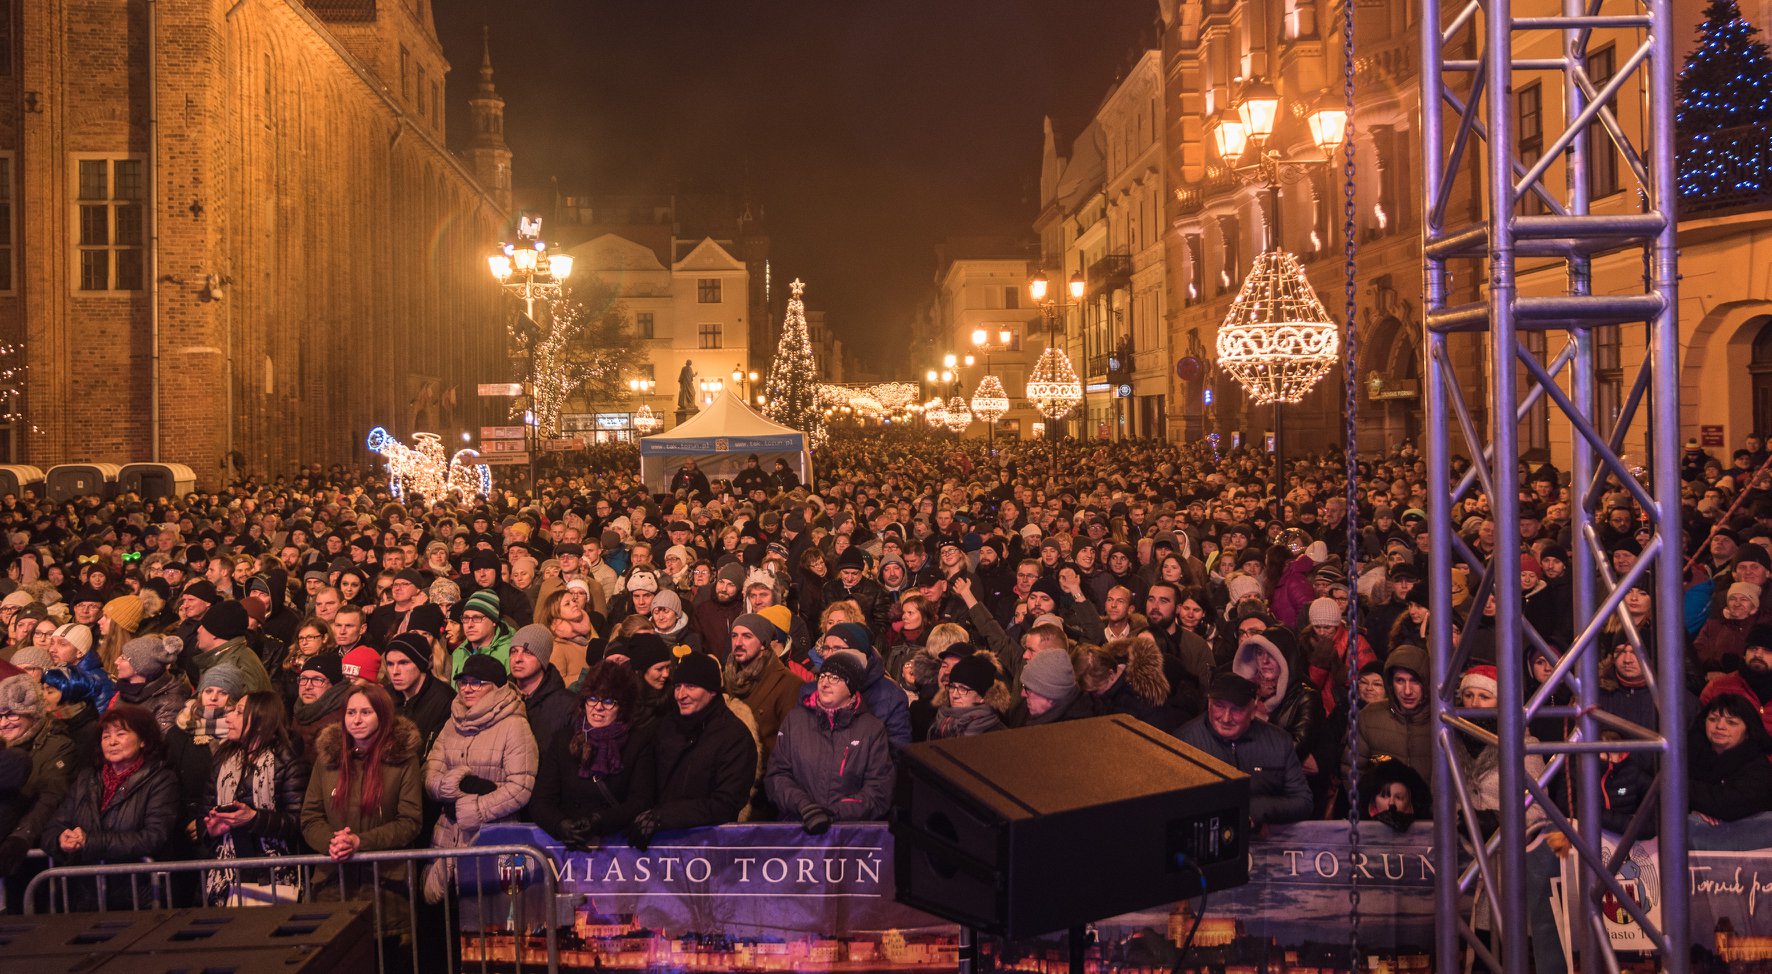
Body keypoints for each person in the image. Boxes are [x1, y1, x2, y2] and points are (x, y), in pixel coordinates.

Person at [301, 685, 424, 926]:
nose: (356, 720)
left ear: (382, 714)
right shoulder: (328, 759)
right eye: (351, 712)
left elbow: (410, 821)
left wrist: (359, 842)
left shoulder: (403, 760)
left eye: (366, 712)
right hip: (333, 886)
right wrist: (333, 843)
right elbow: (310, 817)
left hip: (385, 889)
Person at [40, 704, 181, 909]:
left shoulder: (161, 780)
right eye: (106, 736)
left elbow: (153, 836)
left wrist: (90, 842)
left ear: (143, 740)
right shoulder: (87, 778)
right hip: (86, 897)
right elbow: (55, 826)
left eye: (121, 734)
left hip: (139, 897)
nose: (112, 742)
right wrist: (61, 839)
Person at [422, 654, 537, 903]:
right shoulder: (451, 724)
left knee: (488, 919)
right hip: (447, 835)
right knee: (445, 913)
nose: (467, 689)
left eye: (476, 683)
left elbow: (521, 786)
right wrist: (454, 784)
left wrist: (471, 809)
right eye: (463, 683)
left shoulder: (514, 725)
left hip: (492, 836)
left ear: (495, 688)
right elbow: (431, 773)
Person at [627, 652, 757, 850]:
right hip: (659, 844)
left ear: (712, 691)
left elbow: (726, 804)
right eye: (678, 686)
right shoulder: (666, 726)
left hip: (709, 848)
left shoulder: (734, 736)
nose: (681, 695)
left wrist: (665, 816)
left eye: (691, 687)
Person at [530, 660, 656, 849]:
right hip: (568, 847)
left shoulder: (637, 742)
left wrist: (599, 821)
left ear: (622, 706)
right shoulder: (564, 739)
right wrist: (561, 825)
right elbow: (541, 800)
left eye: (608, 701)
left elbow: (640, 801)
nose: (598, 707)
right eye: (592, 698)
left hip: (616, 849)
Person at [764, 649, 893, 832]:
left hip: (848, 835)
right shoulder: (795, 720)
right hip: (796, 830)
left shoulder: (871, 729)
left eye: (834, 678)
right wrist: (805, 807)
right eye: (823, 676)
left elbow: (878, 790)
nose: (825, 683)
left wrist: (834, 813)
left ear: (851, 686)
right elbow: (777, 776)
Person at [202, 690, 308, 905]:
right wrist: (211, 830)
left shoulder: (287, 761)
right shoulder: (222, 759)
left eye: (239, 712)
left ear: (261, 721)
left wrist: (254, 818)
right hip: (227, 875)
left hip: (275, 875)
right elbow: (205, 810)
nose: (229, 717)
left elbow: (300, 820)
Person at [1176, 674, 1313, 827]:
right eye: (1219, 706)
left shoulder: (1279, 742)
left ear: (1254, 711)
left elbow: (1303, 801)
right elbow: (1173, 804)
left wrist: (1254, 809)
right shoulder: (1185, 742)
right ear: (1209, 705)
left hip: (1263, 841)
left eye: (1237, 709)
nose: (1226, 718)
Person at [0, 674, 75, 879]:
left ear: (33, 715)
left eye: (12, 714)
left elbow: (50, 796)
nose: (4, 723)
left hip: (29, 858)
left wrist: (21, 837)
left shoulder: (57, 746)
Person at [508, 624, 574, 755]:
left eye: (527, 652)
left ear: (542, 658)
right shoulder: (499, 697)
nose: (517, 659)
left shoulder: (567, 705)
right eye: (514, 651)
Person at [384, 632, 453, 753]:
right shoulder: (384, 696)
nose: (395, 671)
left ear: (422, 663)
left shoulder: (445, 700)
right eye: (390, 664)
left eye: (404, 663)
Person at [111, 634, 190, 733]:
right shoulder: (125, 690)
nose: (116, 661)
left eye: (123, 658)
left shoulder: (170, 702)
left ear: (140, 667)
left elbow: (161, 742)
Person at [928, 652, 1008, 739]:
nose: (954, 695)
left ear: (982, 697)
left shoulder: (998, 734)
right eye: (952, 687)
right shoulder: (937, 723)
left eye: (963, 689)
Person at [291, 654, 351, 755]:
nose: (308, 686)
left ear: (335, 687)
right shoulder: (300, 711)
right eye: (303, 679)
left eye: (317, 680)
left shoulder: (339, 721)